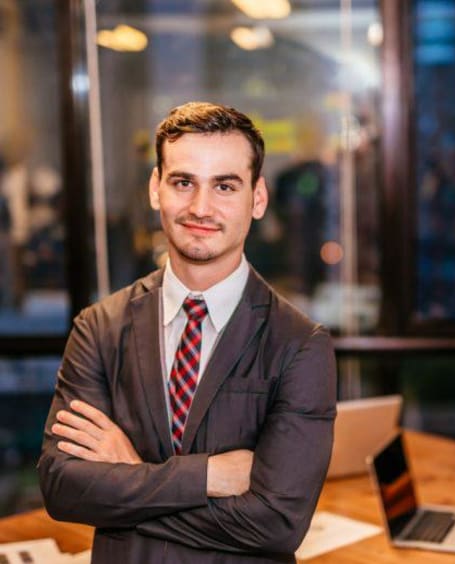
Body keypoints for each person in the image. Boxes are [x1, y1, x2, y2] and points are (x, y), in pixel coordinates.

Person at [37, 102, 337, 564]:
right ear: (156, 189)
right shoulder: (98, 327)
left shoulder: (300, 345)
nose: (201, 207)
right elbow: (63, 488)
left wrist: (129, 475)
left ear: (257, 199)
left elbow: (277, 524)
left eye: (224, 186)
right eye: (183, 182)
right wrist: (208, 476)